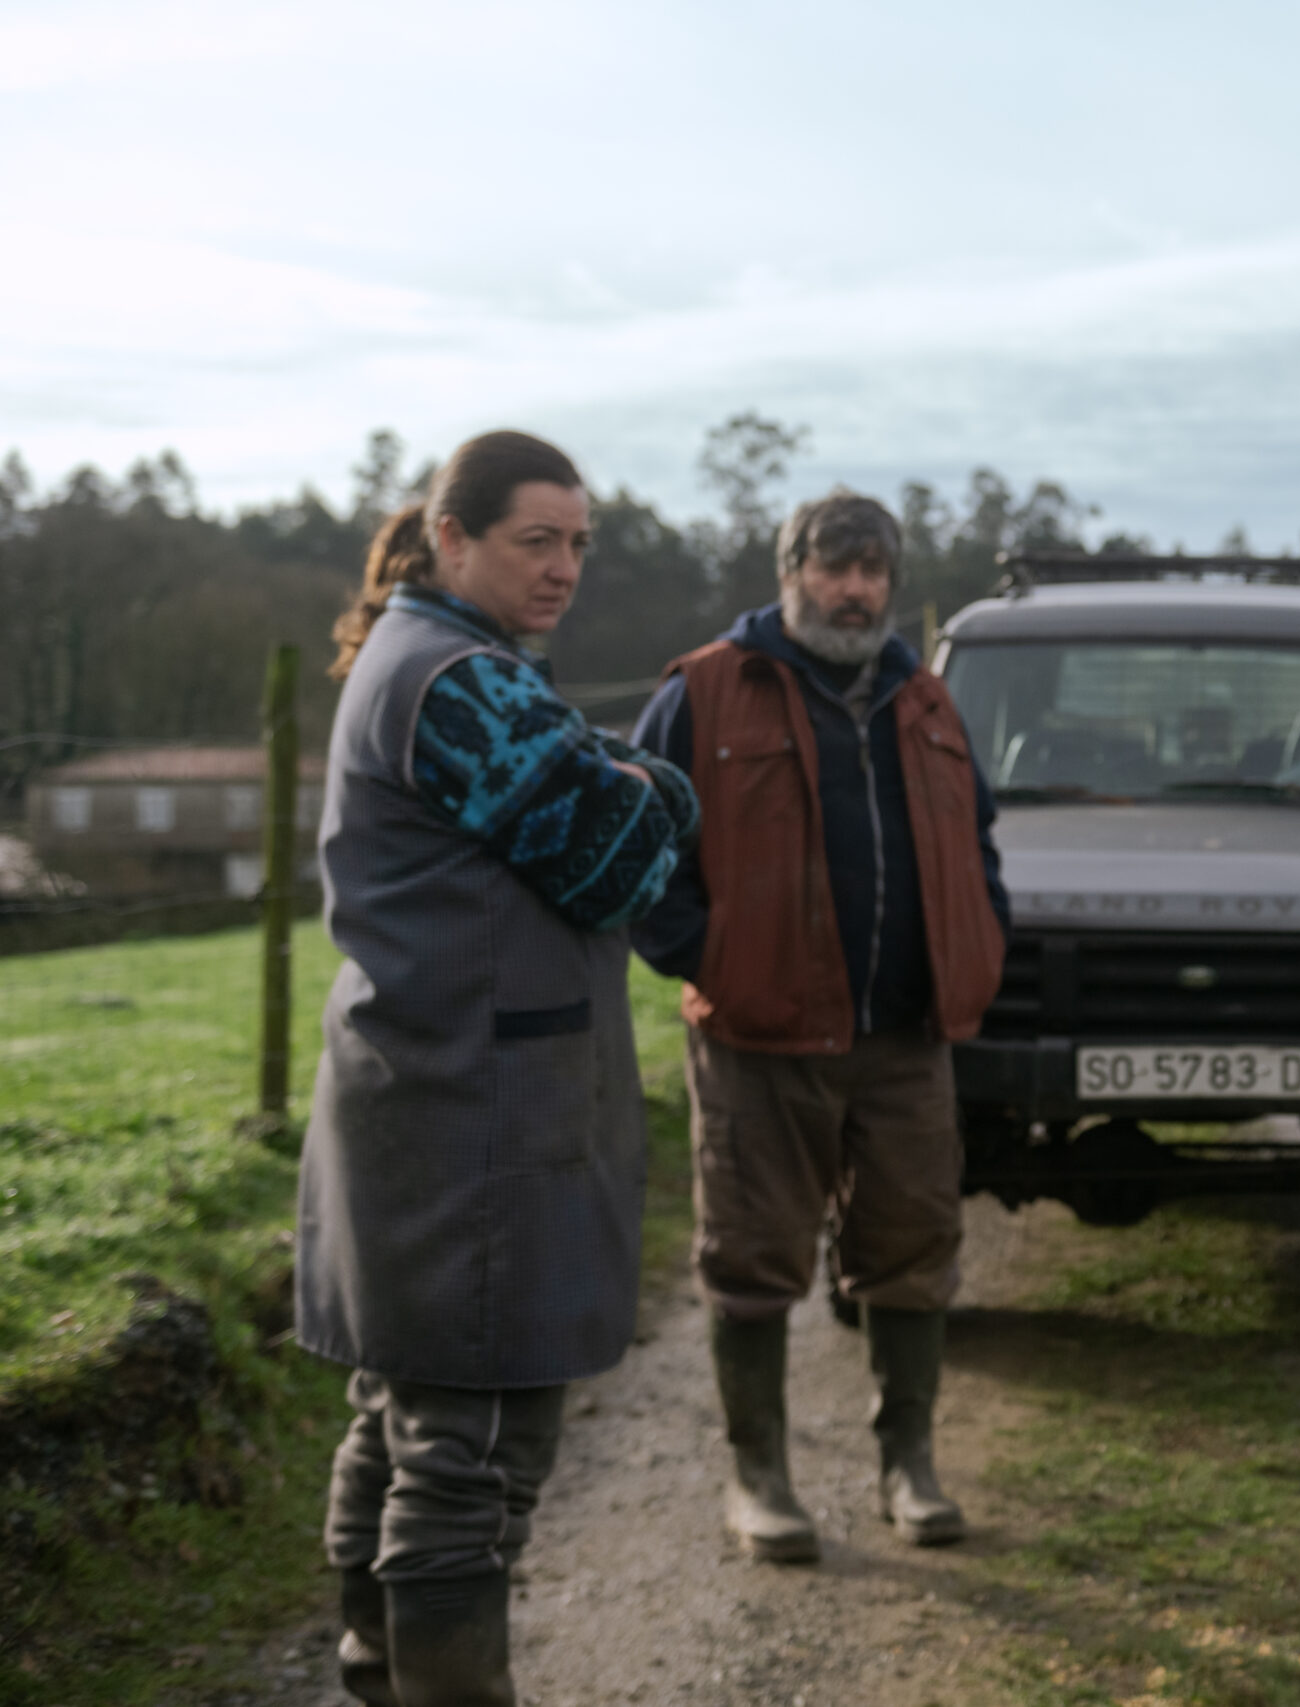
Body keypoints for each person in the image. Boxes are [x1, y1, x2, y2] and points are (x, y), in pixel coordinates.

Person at [299, 430, 698, 1706]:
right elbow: (620, 861)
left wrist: (628, 779)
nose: (564, 566)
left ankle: (377, 1665)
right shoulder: (459, 682)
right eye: (537, 540)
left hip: (429, 1098)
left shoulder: (432, 658)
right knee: (473, 1452)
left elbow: (608, 804)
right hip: (471, 1122)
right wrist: (657, 787)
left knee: (404, 1416)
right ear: (450, 538)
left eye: (578, 543)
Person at [630, 488, 1007, 1561]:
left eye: (871, 571)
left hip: (905, 1038)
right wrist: (709, 958)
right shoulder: (707, 689)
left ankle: (908, 1467)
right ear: (789, 573)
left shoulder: (925, 698)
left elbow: (977, 842)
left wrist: (978, 944)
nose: (854, 590)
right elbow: (638, 843)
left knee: (914, 1249)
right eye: (833, 568)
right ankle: (759, 1480)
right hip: (760, 1039)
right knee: (751, 1256)